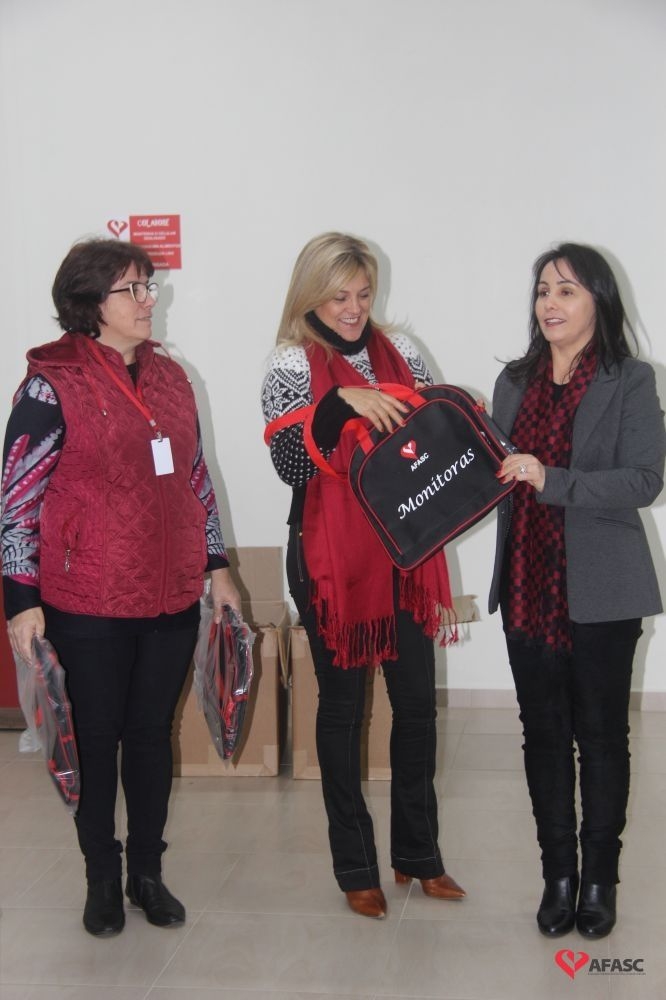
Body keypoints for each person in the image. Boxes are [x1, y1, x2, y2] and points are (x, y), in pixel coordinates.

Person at [1, 238, 240, 937]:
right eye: (131, 289)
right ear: (89, 303)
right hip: (87, 601)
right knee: (97, 739)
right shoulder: (51, 384)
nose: (147, 300)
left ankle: (147, 873)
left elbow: (196, 479)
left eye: (148, 285)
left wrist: (218, 568)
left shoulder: (172, 378)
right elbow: (16, 499)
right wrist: (21, 602)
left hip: (169, 595)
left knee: (150, 738)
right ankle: (101, 878)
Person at [261, 232, 465, 918]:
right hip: (330, 561)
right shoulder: (289, 364)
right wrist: (339, 402)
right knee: (344, 712)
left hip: (404, 553)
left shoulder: (403, 352)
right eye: (338, 296)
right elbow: (291, 465)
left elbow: (437, 441)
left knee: (416, 707)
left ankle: (419, 857)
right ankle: (355, 868)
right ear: (309, 297)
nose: (353, 309)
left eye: (363, 294)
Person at [489, 243, 665, 939]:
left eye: (566, 290)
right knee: (541, 734)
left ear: (599, 300)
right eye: (542, 291)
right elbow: (494, 473)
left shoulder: (631, 380)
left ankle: (599, 882)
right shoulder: (513, 381)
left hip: (602, 587)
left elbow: (644, 480)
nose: (550, 303)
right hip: (526, 584)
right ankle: (557, 875)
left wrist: (550, 478)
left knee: (600, 736)